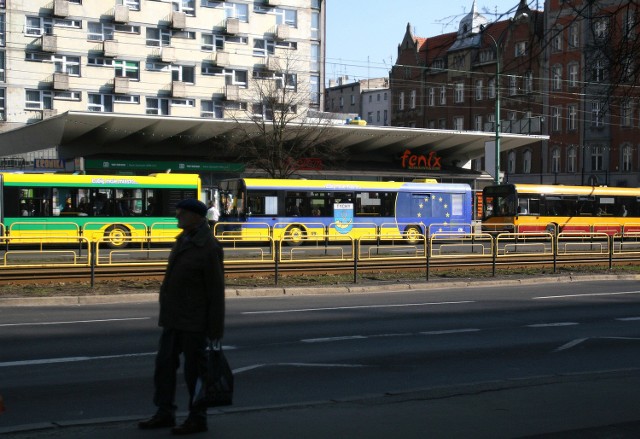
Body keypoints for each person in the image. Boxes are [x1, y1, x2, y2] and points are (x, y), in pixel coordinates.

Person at [138, 198, 225, 435]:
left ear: (197, 217)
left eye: (182, 214)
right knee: (164, 366)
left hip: (195, 322)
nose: (177, 217)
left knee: (195, 372)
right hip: (174, 319)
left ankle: (198, 417)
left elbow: (216, 292)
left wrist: (215, 329)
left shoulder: (208, 247)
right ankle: (164, 412)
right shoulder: (183, 240)